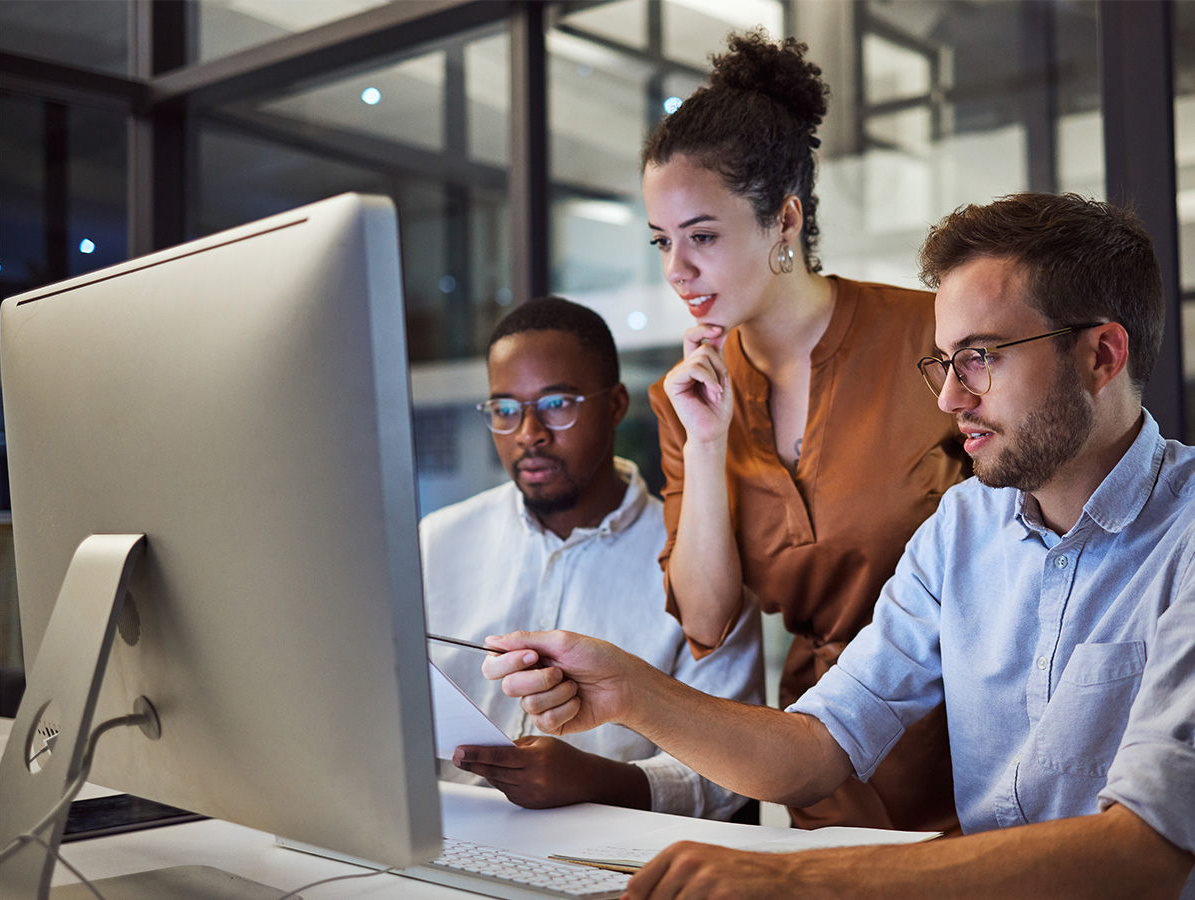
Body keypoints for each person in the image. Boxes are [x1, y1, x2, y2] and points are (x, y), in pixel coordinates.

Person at [479, 193, 1195, 899]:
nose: (948, 398)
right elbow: (817, 748)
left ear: (1101, 355)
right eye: (943, 362)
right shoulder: (960, 529)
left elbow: (1144, 852)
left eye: (979, 357)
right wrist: (628, 690)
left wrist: (796, 876)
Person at [642, 29, 967, 831]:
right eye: (662, 242)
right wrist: (709, 440)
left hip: (971, 744)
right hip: (818, 760)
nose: (676, 272)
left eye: (702, 236)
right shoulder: (686, 398)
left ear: (783, 219)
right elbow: (709, 622)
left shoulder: (931, 335)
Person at [421, 295, 763, 821]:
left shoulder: (698, 564)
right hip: (446, 840)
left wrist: (598, 781)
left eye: (557, 404)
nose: (528, 434)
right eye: (505, 410)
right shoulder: (437, 542)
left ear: (616, 405)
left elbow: (732, 777)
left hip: (614, 862)